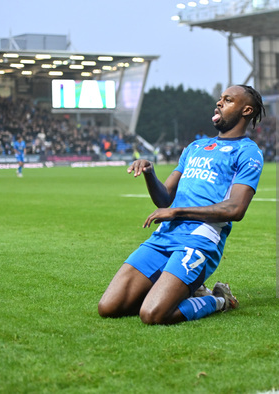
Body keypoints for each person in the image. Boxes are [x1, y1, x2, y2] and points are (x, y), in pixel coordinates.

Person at [98, 85, 265, 324]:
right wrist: (149, 172)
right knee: (109, 307)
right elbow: (165, 198)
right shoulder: (194, 148)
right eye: (220, 99)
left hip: (200, 239)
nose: (218, 103)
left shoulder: (248, 152)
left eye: (227, 100)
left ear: (246, 110)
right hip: (165, 235)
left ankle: (219, 299)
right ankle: (182, 288)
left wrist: (178, 211)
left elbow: (236, 209)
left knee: (152, 314)